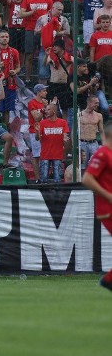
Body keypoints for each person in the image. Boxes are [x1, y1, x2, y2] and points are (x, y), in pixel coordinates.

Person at [79, 121, 112, 291]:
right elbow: (87, 179)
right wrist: (109, 196)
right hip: (108, 208)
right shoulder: (102, 154)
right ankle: (108, 280)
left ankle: (109, 280)